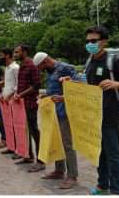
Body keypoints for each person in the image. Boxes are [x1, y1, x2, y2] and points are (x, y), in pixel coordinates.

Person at [78, 26, 119, 195]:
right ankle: (102, 184)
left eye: (93, 41)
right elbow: (87, 85)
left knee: (113, 153)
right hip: (94, 115)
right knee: (98, 151)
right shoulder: (89, 61)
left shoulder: (114, 61)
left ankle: (116, 189)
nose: (90, 44)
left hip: (110, 114)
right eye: (87, 41)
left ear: (104, 41)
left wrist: (116, 84)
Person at [34, 51, 78, 189]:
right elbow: (53, 90)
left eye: (41, 67)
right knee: (57, 141)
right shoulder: (50, 71)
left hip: (65, 112)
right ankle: (59, 171)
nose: (41, 71)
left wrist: (63, 97)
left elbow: (79, 88)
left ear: (45, 61)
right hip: (53, 113)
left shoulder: (66, 68)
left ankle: (72, 175)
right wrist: (44, 96)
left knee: (67, 144)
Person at [13, 44, 44, 171]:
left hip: (30, 103)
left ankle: (41, 161)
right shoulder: (22, 65)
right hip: (22, 104)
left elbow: (36, 85)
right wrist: (17, 93)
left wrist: (21, 94)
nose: (15, 54)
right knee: (26, 130)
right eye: (14, 52)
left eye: (17, 52)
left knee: (34, 130)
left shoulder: (32, 66)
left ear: (24, 52)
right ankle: (29, 156)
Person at [0, 48, 19, 155]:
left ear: (7, 55)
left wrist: (10, 96)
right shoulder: (6, 68)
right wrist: (2, 94)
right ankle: (10, 146)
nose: (0, 57)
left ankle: (17, 147)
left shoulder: (15, 68)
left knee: (15, 125)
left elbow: (17, 85)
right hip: (6, 99)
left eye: (1, 55)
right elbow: (7, 84)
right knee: (8, 124)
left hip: (13, 100)